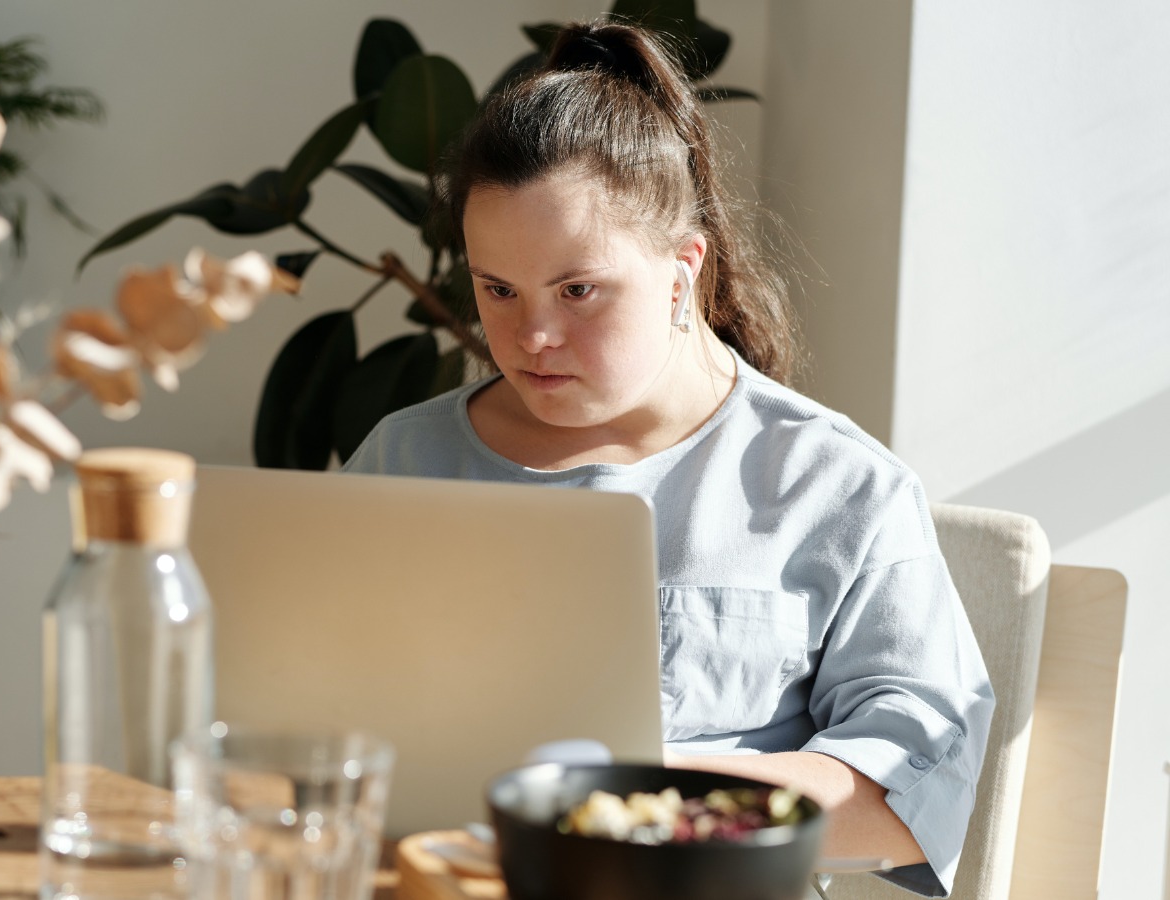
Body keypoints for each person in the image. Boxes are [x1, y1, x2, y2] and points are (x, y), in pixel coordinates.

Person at [340, 20, 994, 898]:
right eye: (498, 289)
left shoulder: (835, 488)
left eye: (579, 290)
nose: (532, 336)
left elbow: (904, 798)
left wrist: (623, 801)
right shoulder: (402, 458)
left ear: (683, 270)